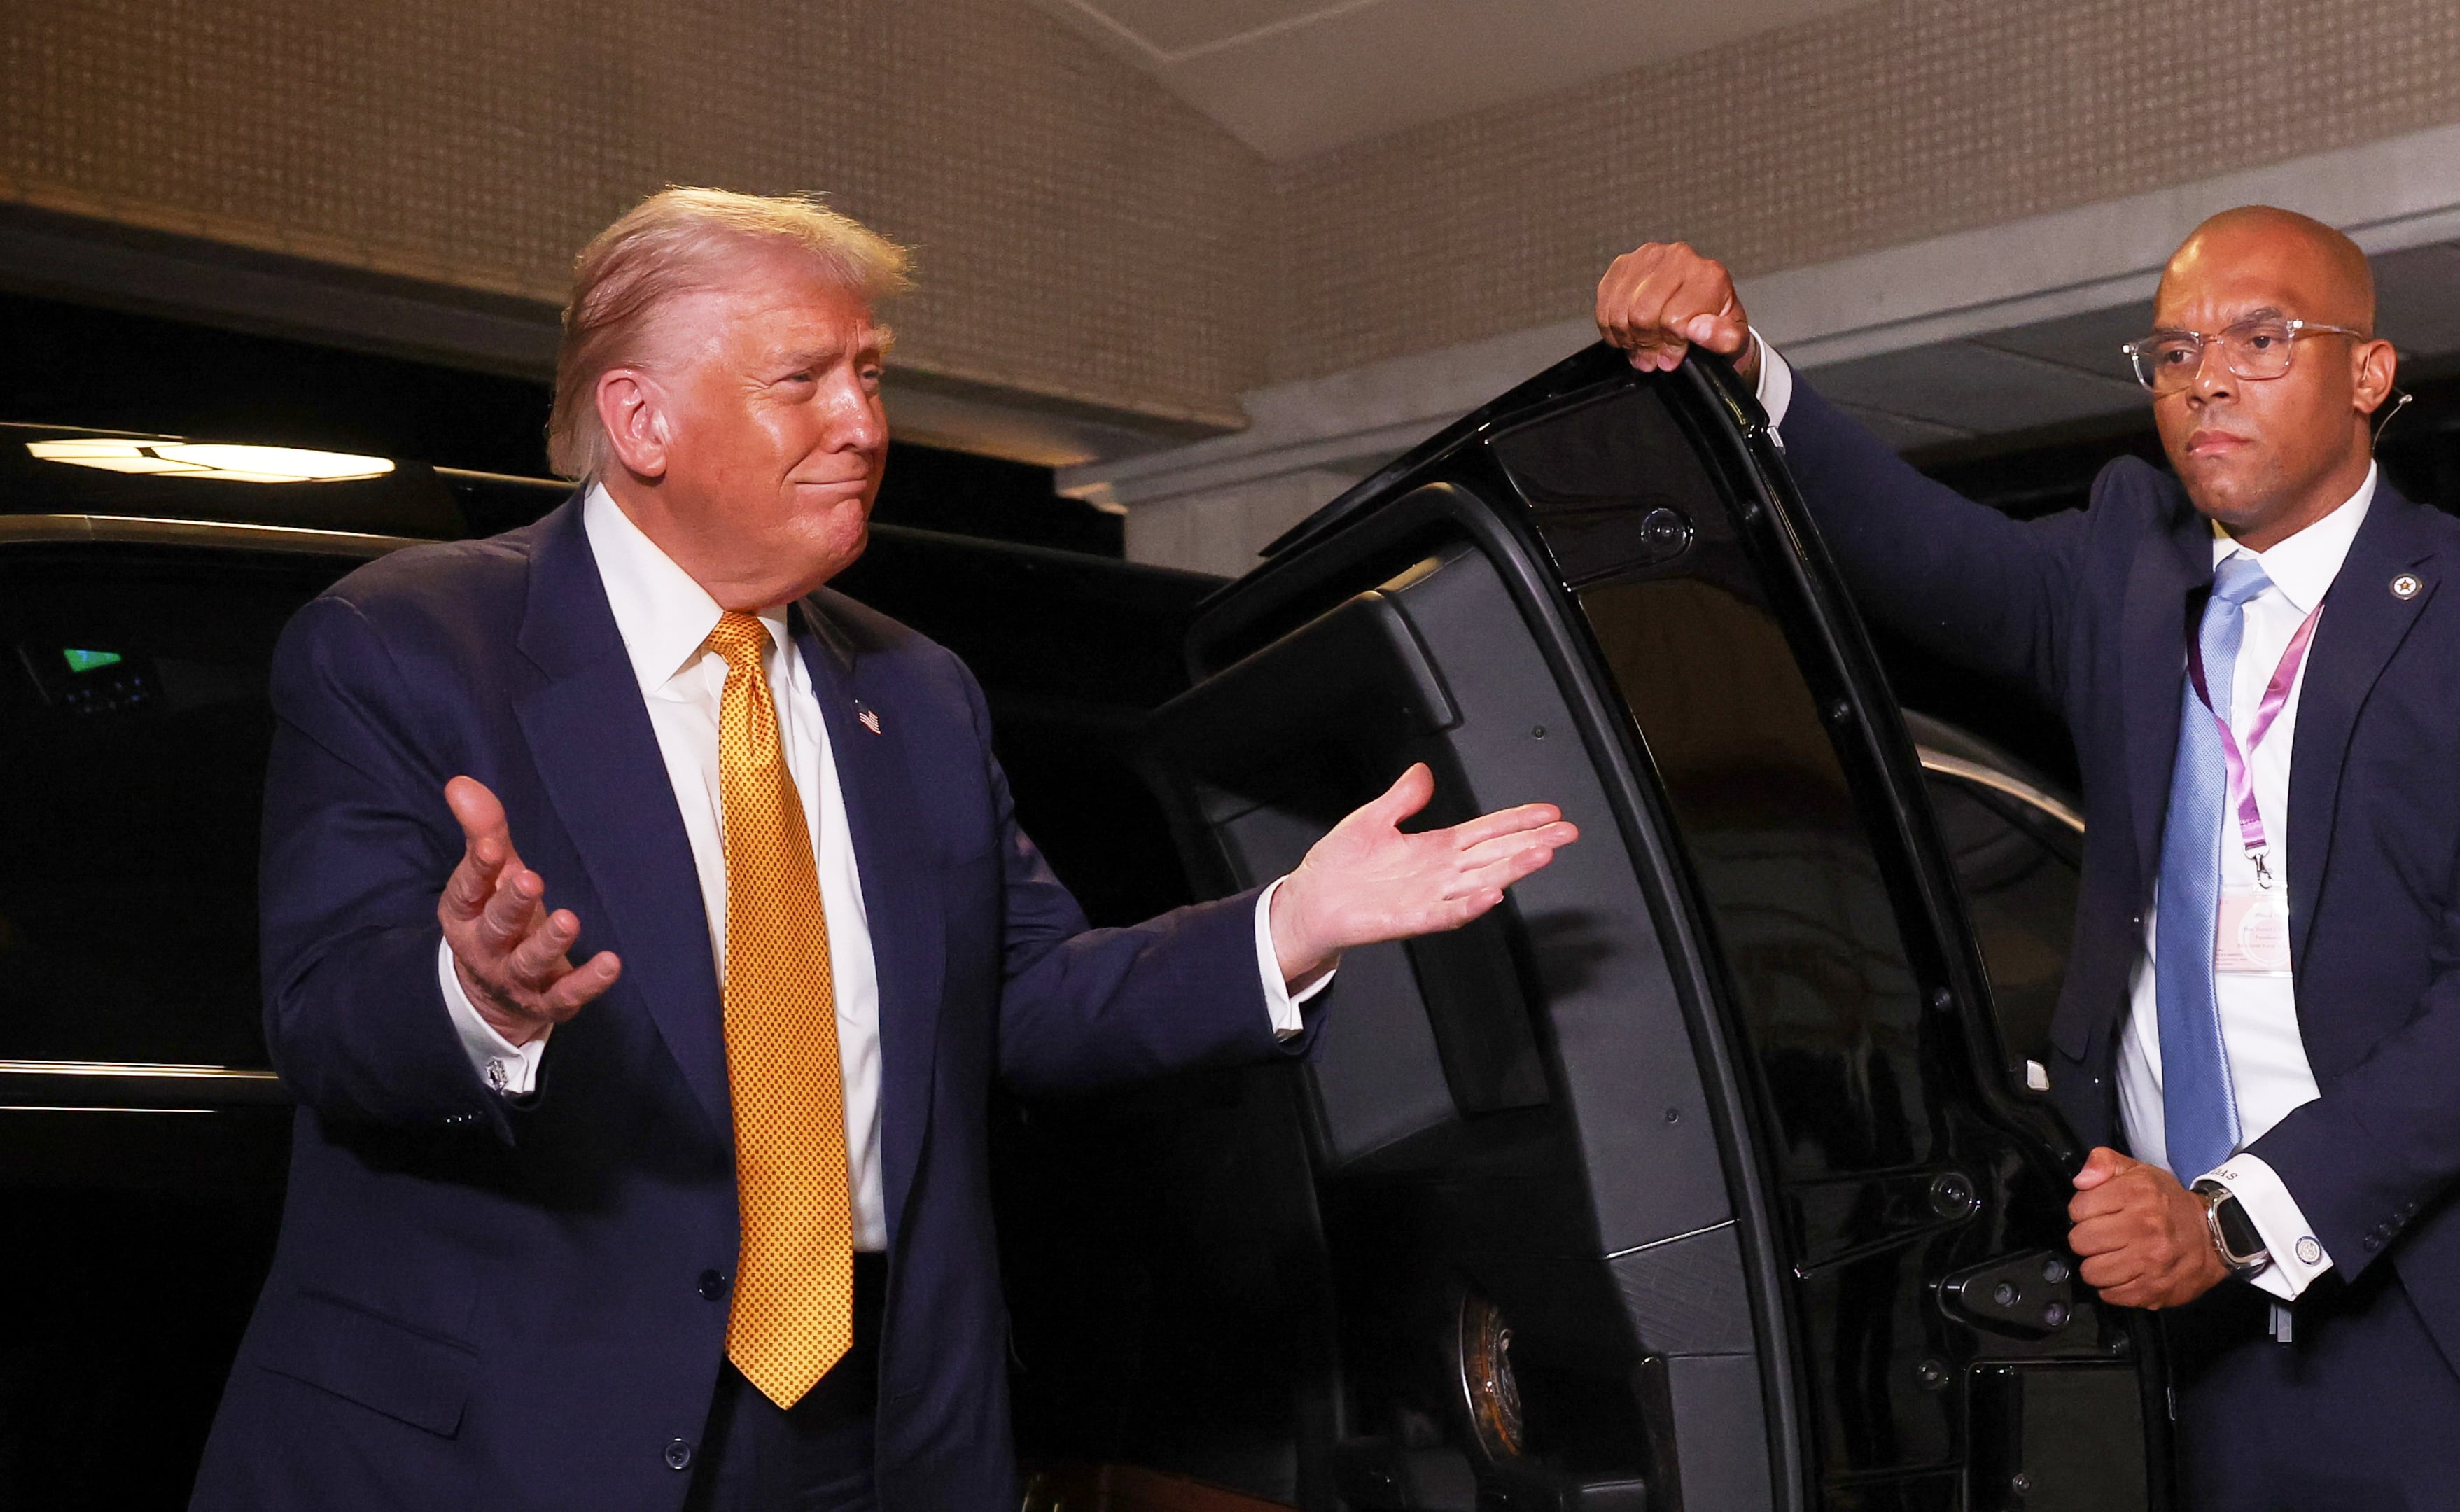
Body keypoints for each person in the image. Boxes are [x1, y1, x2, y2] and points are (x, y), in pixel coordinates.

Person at [193, 187, 1579, 1512]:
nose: (862, 423)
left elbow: (1027, 999)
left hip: (865, 1433)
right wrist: (476, 996)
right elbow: (325, 1017)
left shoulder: (915, 693)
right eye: (802, 380)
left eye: (869, 374)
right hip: (516, 1434)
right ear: (641, 418)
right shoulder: (410, 642)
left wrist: (1292, 924)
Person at [1595, 208, 2460, 1507]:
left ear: (2368, 374)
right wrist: (1743, 369)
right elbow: (1918, 545)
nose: (2206, 378)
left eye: (2261, 339)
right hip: (2186, 1343)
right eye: (2173, 351)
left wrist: (2230, 1221)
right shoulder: (2124, 571)